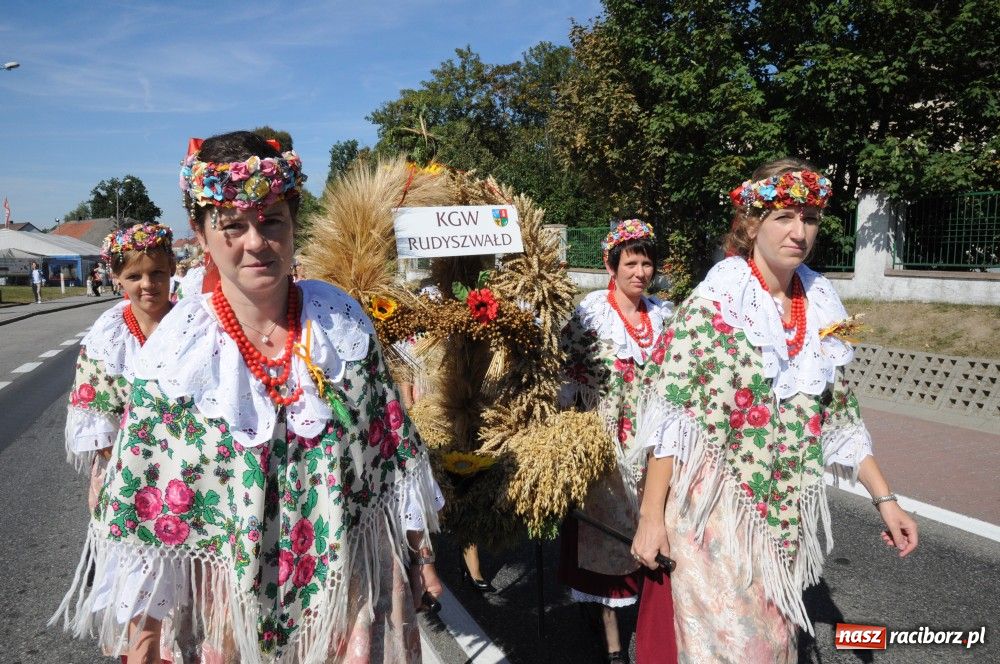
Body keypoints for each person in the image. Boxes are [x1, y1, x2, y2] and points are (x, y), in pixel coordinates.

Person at [54, 131, 443, 663]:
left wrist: (421, 558)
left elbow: (390, 455)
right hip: (226, 610)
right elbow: (150, 517)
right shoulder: (181, 350)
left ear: (294, 221)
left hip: (342, 597)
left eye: (272, 221)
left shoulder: (341, 324)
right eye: (232, 226)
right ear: (201, 231)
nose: (256, 242)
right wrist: (144, 639)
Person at [631, 158, 918, 662]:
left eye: (808, 218)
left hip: (785, 513)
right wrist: (651, 516)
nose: (799, 231)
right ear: (751, 224)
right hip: (714, 511)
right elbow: (674, 418)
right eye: (784, 217)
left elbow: (839, 414)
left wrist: (885, 499)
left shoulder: (824, 304)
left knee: (774, 640)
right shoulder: (715, 303)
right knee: (734, 647)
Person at [558, 219, 677, 664]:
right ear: (612, 265)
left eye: (647, 263)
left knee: (654, 526)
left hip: (655, 439)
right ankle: (612, 644)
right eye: (631, 262)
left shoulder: (663, 315)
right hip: (605, 440)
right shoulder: (589, 315)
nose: (640, 272)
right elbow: (563, 374)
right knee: (607, 539)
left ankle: (652, 623)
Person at [64, 222, 176, 662]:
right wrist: (143, 468)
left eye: (158, 274)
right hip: (128, 475)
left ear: (172, 271)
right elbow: (99, 423)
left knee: (191, 586)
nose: (148, 285)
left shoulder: (194, 321)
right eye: (134, 277)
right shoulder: (108, 335)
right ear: (116, 279)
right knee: (143, 587)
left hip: (193, 471)